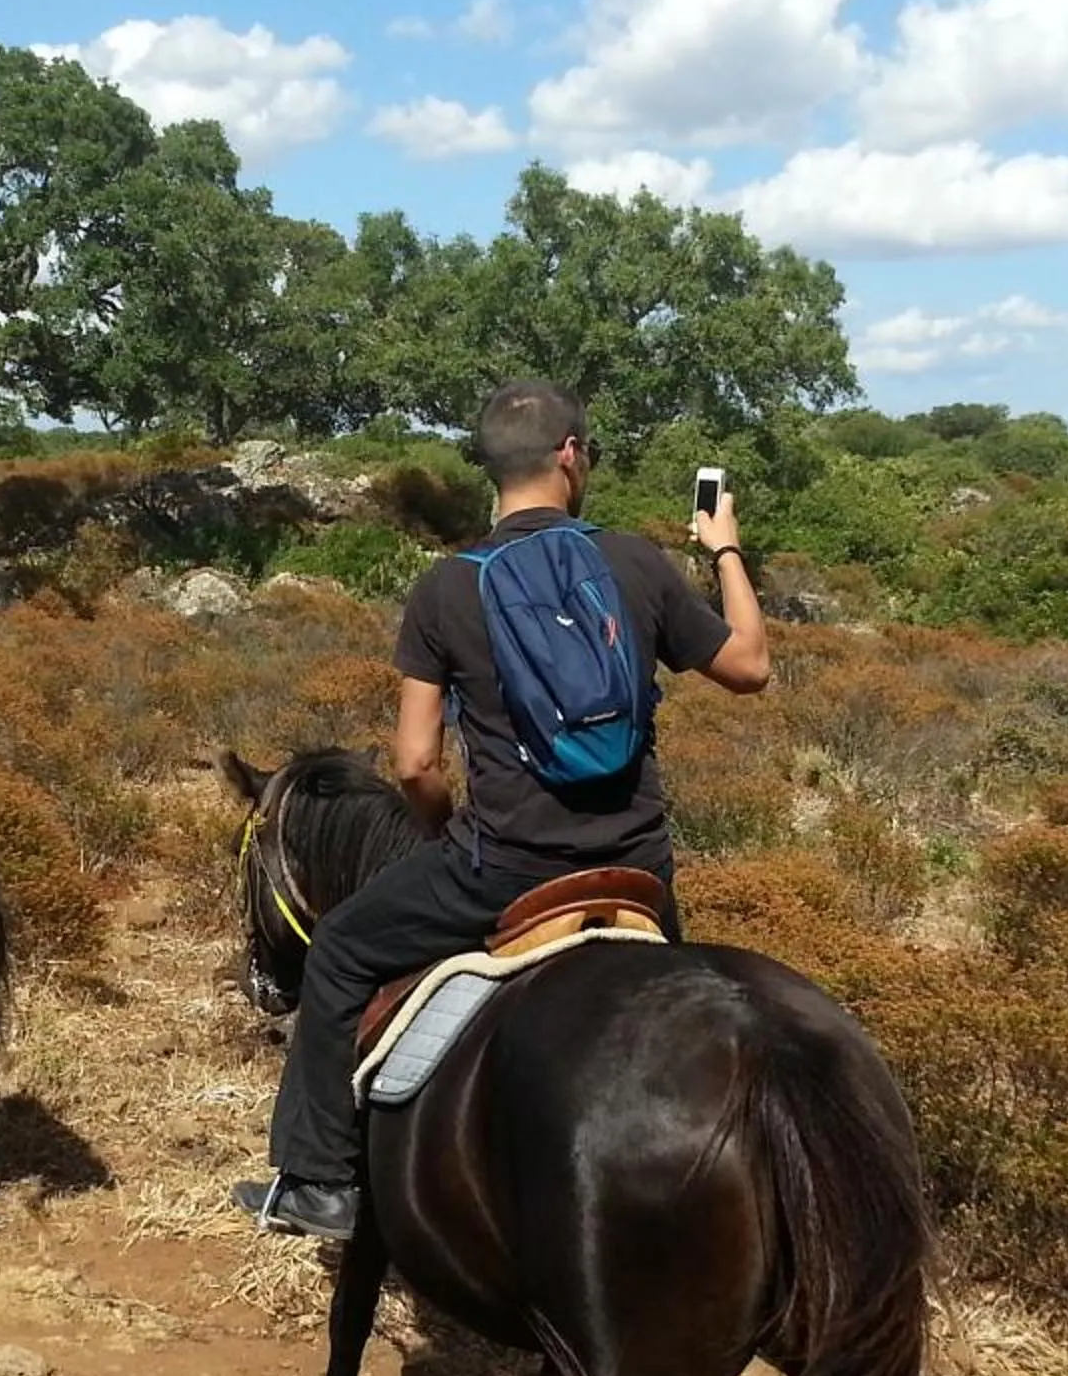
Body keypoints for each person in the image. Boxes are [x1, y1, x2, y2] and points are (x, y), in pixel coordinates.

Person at [235, 377, 772, 1240]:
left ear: (492, 465)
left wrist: (446, 830)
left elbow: (414, 762)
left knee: (336, 950)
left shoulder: (447, 589)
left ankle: (315, 1183)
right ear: (569, 454)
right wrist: (724, 548)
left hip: (506, 870)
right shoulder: (634, 561)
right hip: (638, 869)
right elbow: (750, 666)